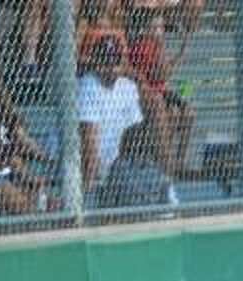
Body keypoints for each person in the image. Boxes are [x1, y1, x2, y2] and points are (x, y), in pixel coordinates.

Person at [0, 56, 57, 215]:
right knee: (25, 206)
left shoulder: (4, 111)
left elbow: (23, 140)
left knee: (49, 201)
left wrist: (48, 159)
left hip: (14, 170)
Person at [127, 6, 194, 177]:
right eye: (156, 27)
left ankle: (179, 161)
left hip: (162, 90)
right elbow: (162, 73)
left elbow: (165, 75)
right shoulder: (143, 46)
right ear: (146, 28)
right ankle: (166, 163)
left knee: (188, 114)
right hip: (150, 94)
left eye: (161, 27)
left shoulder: (156, 45)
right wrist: (181, 53)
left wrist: (176, 56)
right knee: (172, 114)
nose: (160, 31)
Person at [77, 34, 144, 192]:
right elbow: (89, 139)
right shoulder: (86, 86)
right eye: (105, 62)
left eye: (115, 62)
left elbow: (135, 134)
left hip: (115, 167)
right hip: (83, 166)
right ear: (95, 62)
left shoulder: (128, 87)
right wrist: (90, 181)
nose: (110, 68)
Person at [97, 121, 178, 208]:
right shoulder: (157, 170)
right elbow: (171, 202)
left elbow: (107, 199)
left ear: (124, 143)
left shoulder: (118, 166)